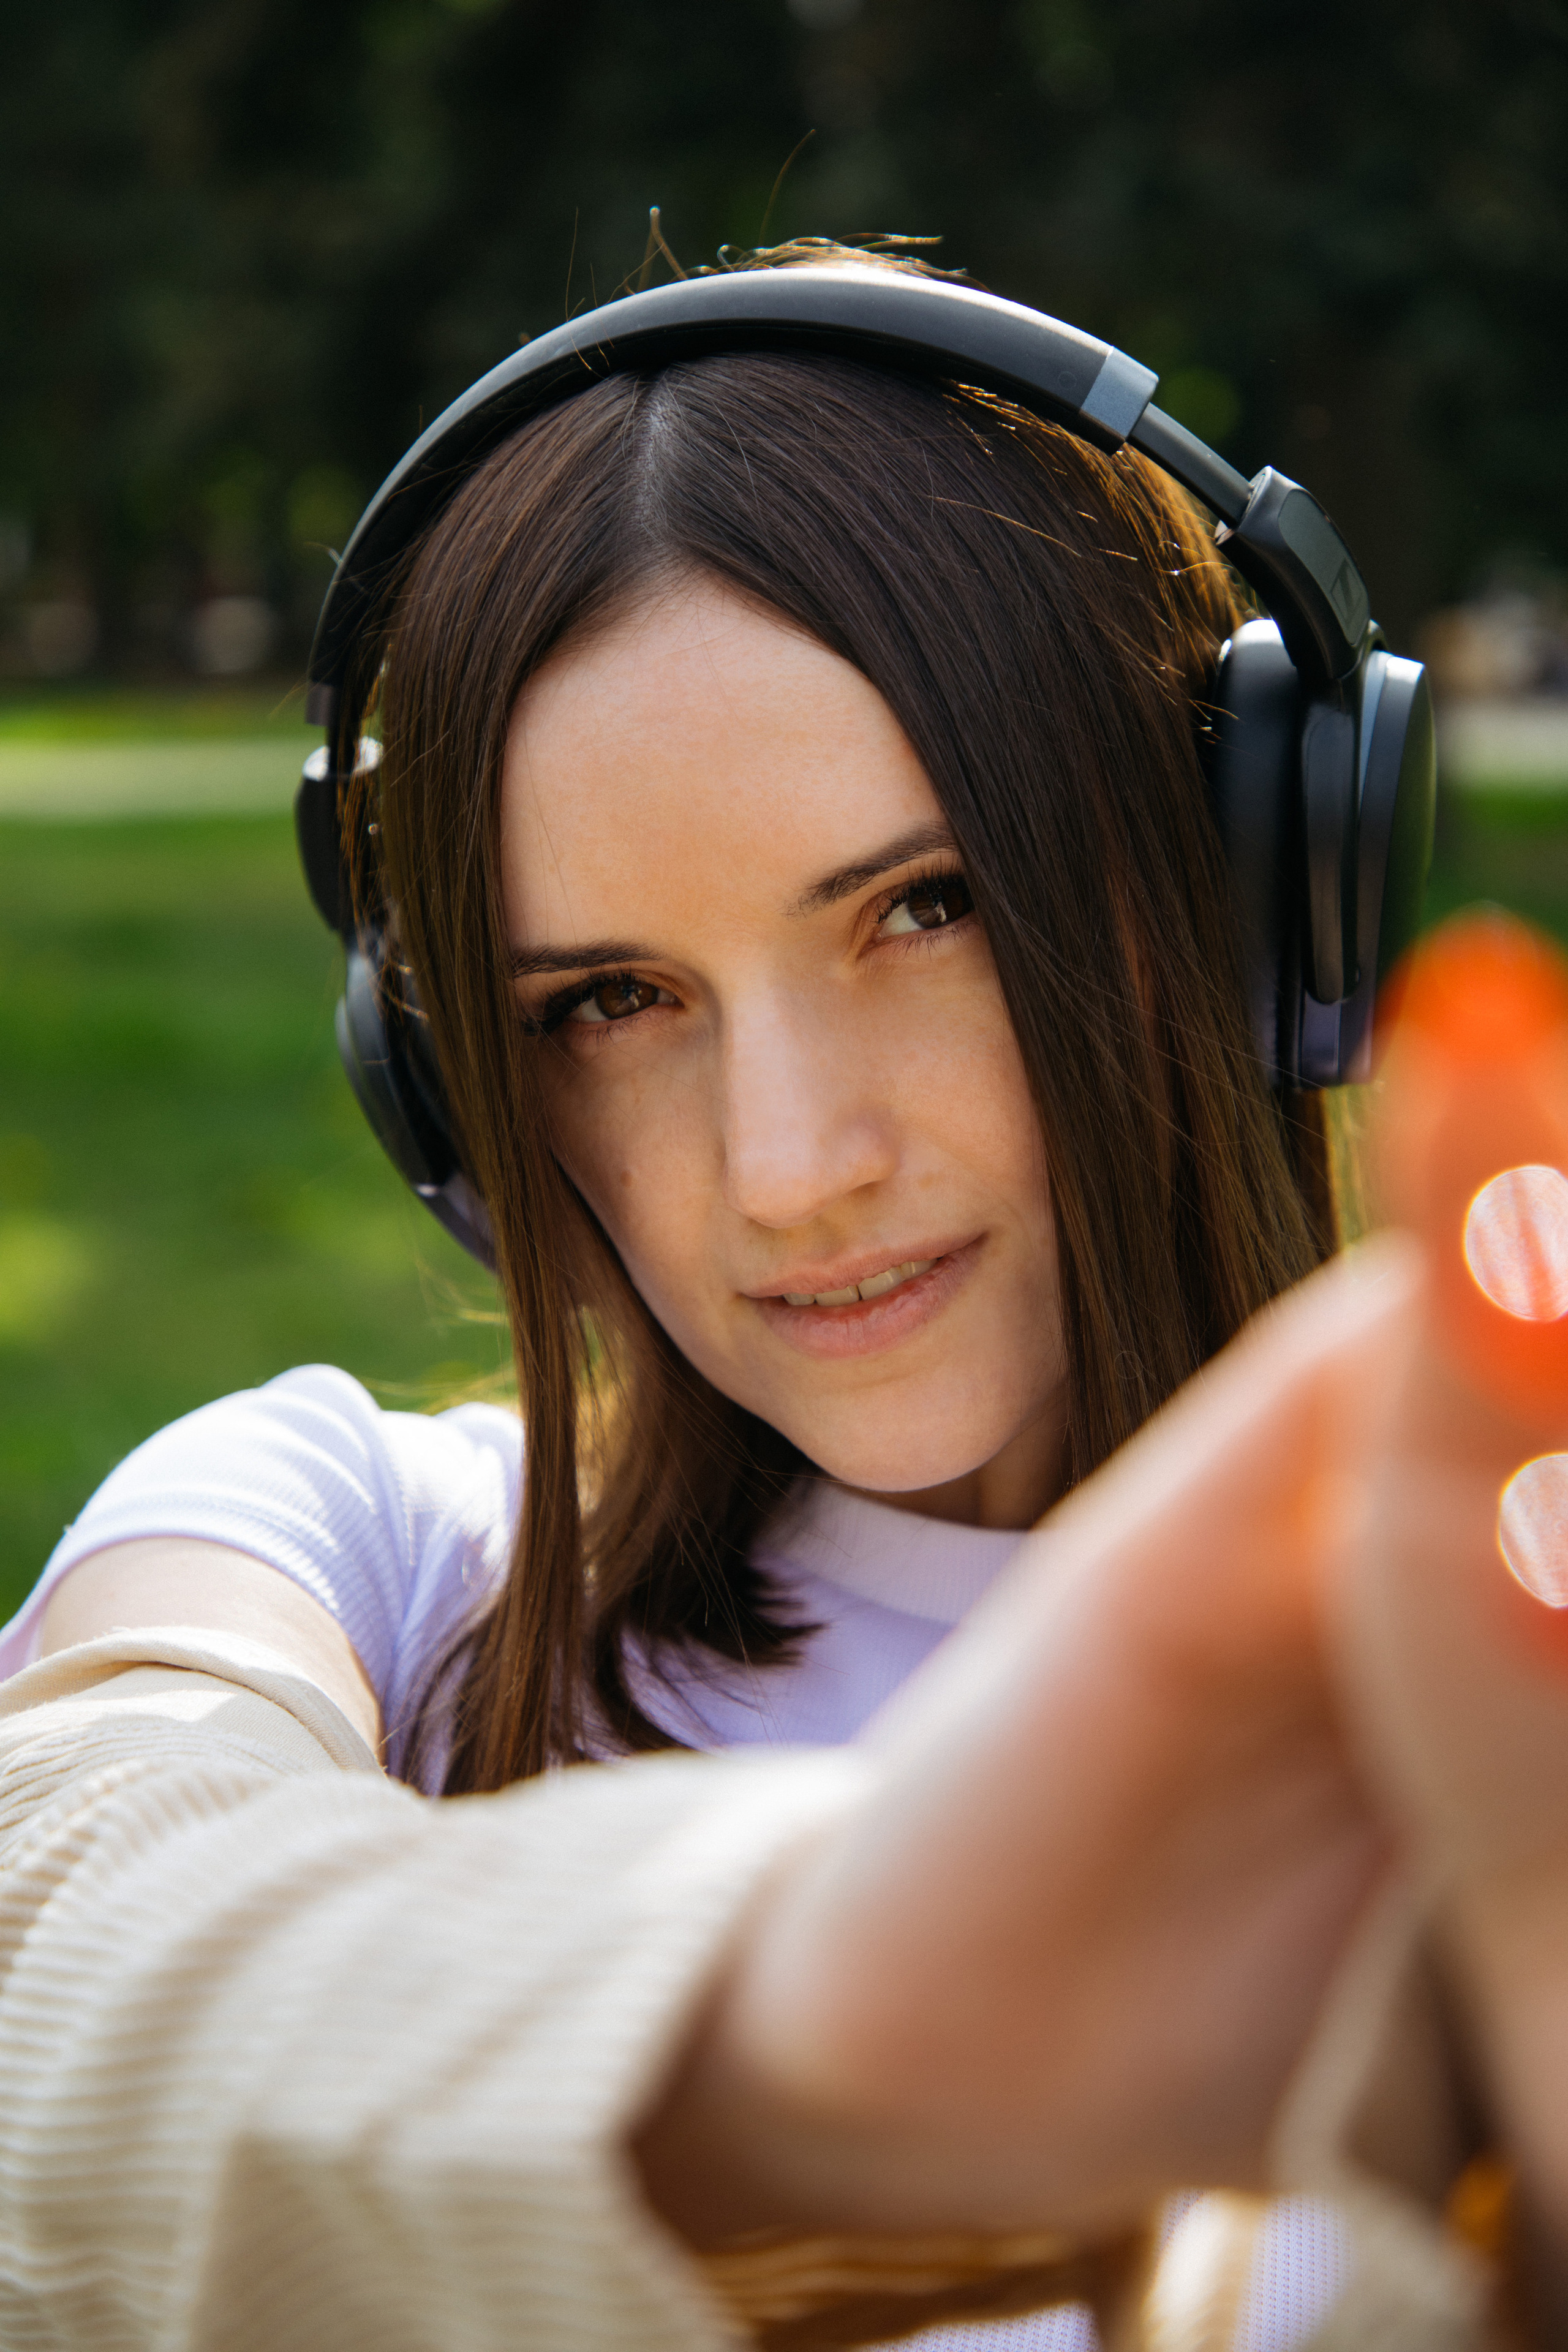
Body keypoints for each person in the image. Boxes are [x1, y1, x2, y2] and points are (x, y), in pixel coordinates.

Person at [0, 242, 1550, 2351]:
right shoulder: (352, 1549)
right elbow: (63, 1949)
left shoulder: (1507, 1628)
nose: (790, 1166)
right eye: (609, 1001)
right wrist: (805, 2036)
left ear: (1256, 884)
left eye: (927, 906)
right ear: (452, 1080)